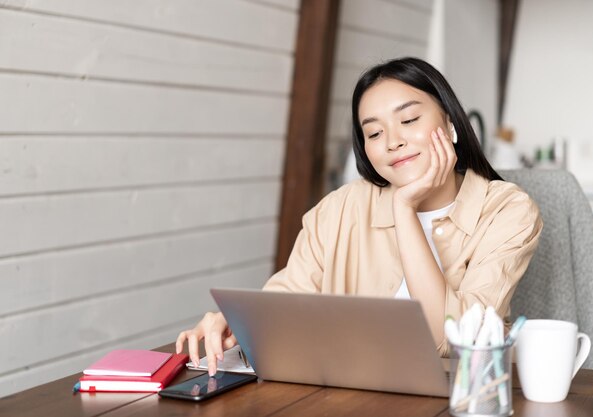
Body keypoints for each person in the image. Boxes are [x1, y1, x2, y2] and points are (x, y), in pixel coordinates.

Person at [176, 57, 543, 375]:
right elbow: (283, 305)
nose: (392, 141)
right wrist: (236, 323)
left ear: (450, 125)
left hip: (457, 398)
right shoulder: (339, 209)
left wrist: (404, 207)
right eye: (374, 132)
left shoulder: (507, 211)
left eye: (409, 119)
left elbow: (449, 338)